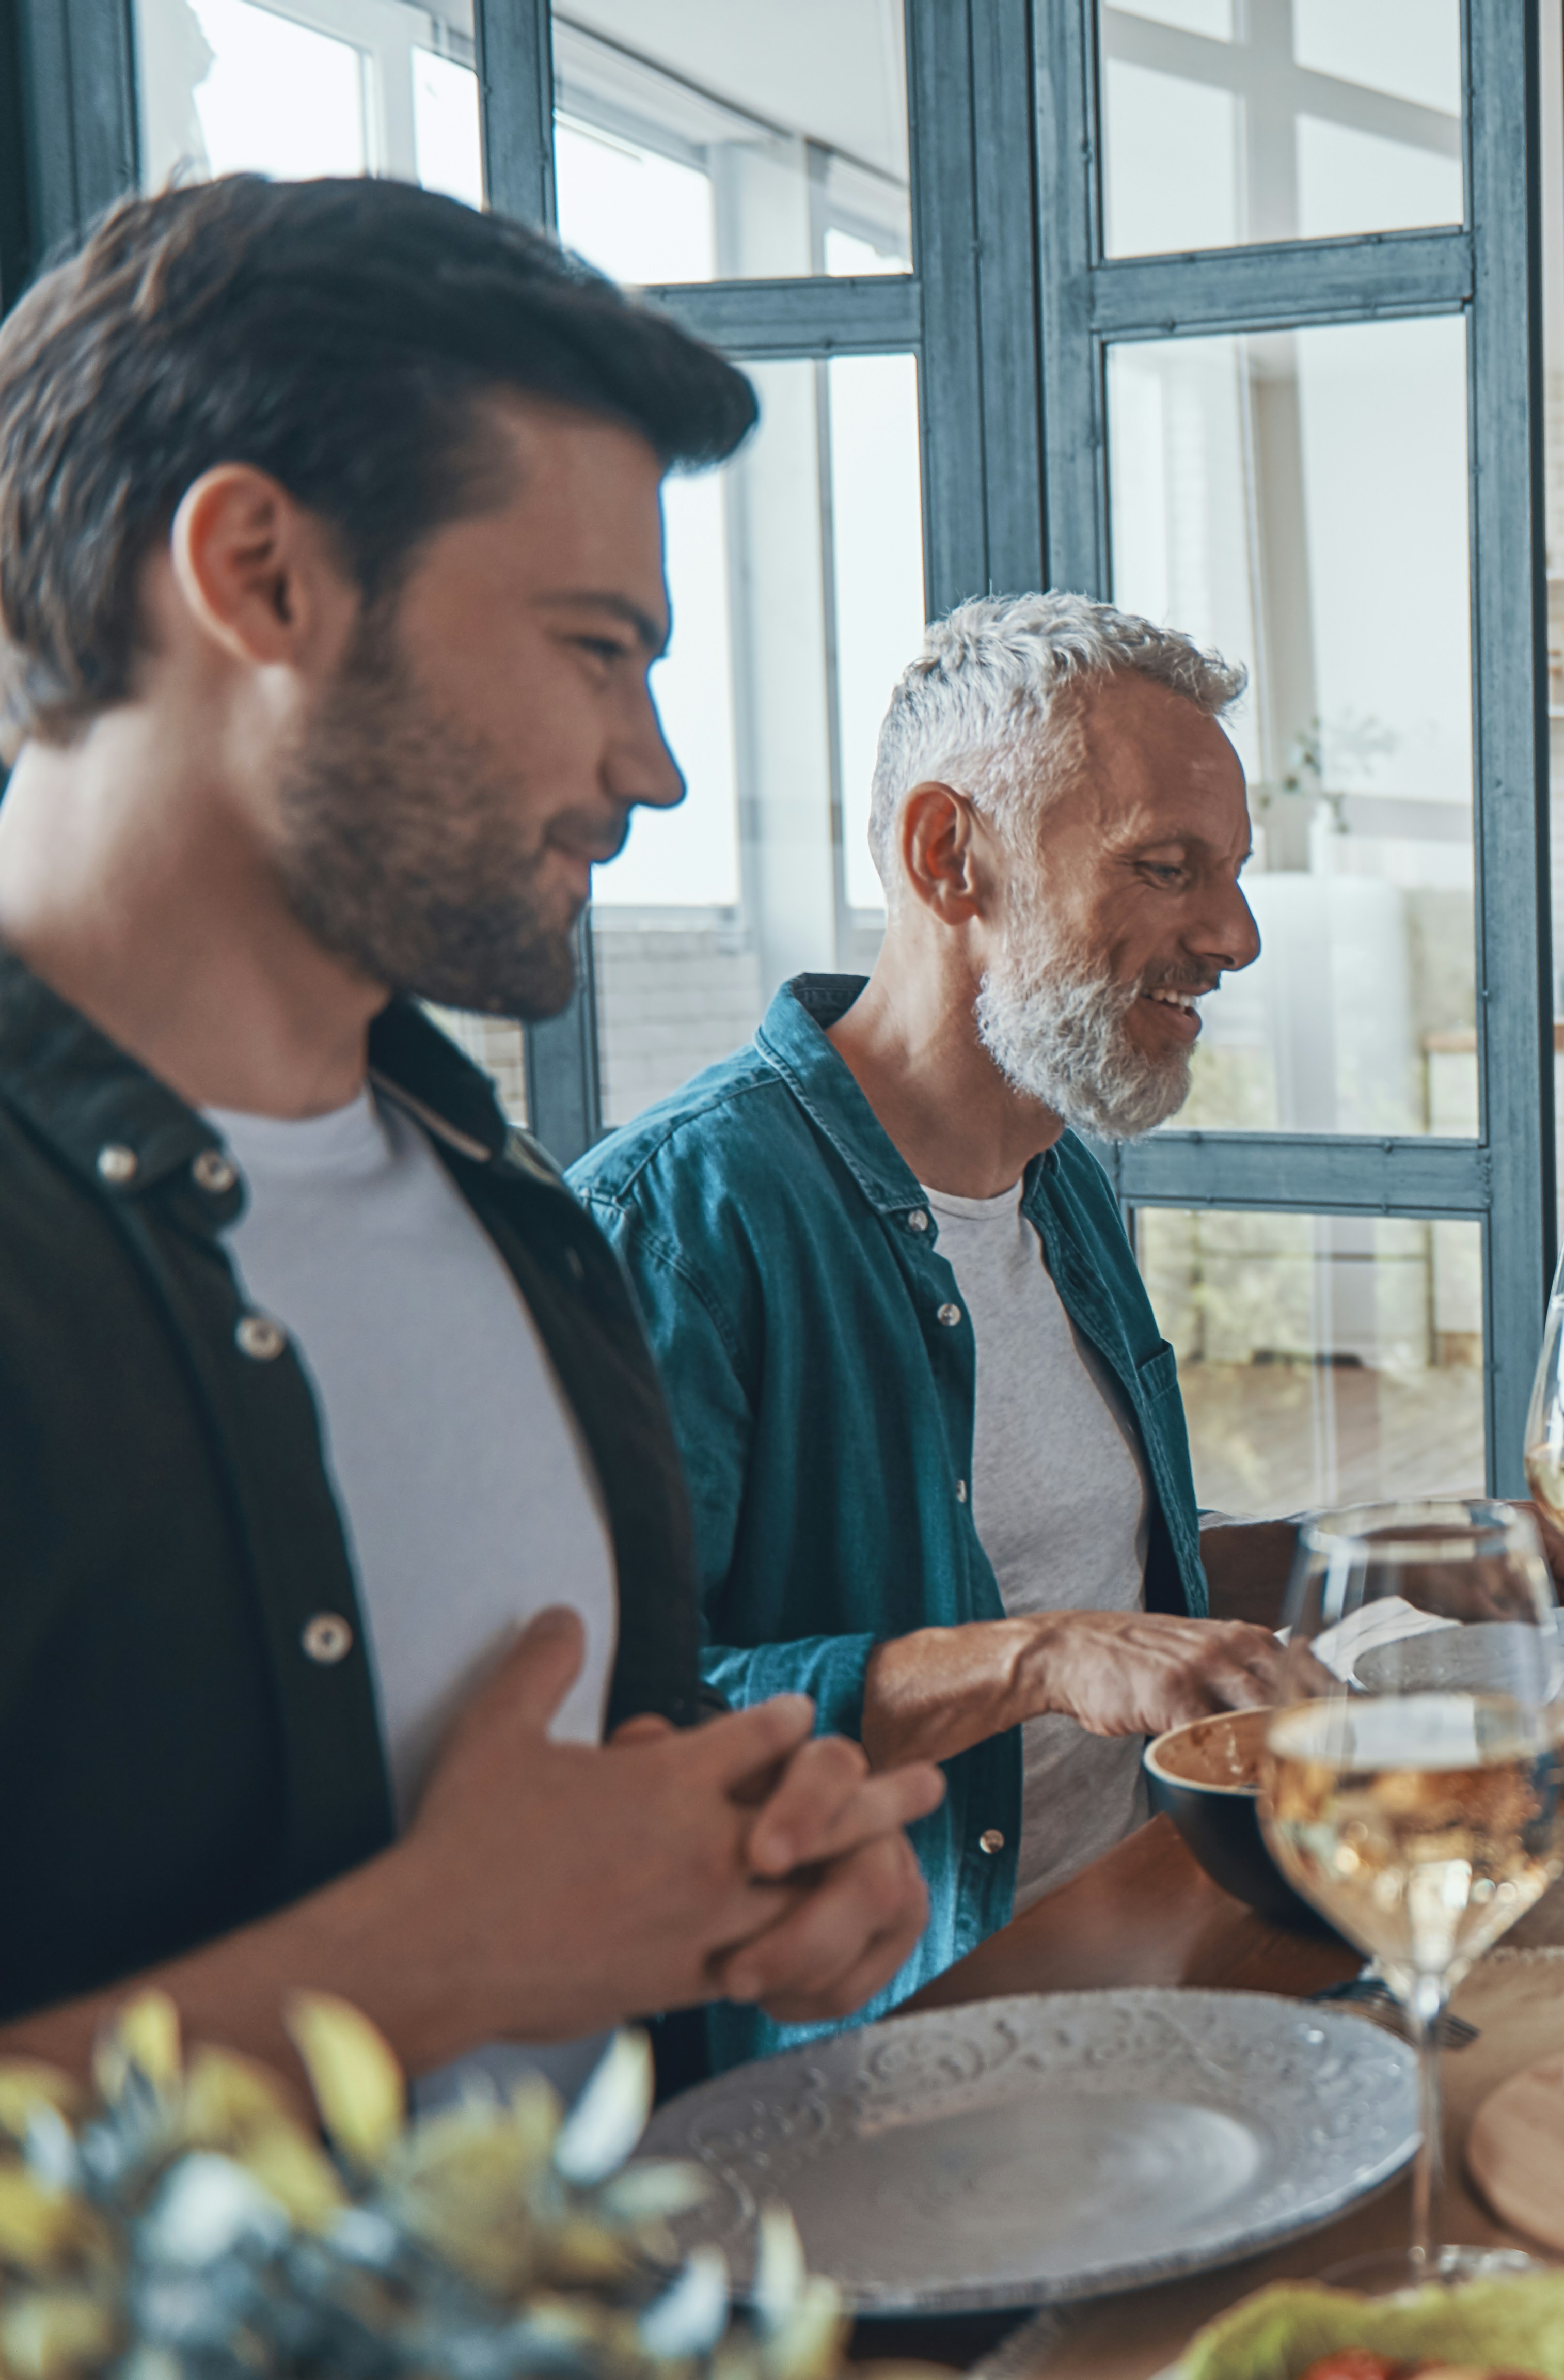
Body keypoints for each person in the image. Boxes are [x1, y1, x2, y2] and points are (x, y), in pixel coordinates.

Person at [0, 175, 936, 2092]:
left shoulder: (519, 1222)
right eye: (596, 645)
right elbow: (480, 1938)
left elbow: (605, 1867)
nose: (653, 764)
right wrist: (420, 1965)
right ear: (258, 572)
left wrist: (762, 1883)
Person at [570, 594, 1306, 2062]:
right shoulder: (676, 1222)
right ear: (944, 855)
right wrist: (1036, 1659)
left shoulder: (1060, 1182)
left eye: (1229, 875)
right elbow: (615, 1732)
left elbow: (1113, 1582)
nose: (1233, 935)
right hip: (889, 2061)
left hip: (1145, 1947)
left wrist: (1436, 1545)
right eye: (1166, 866)